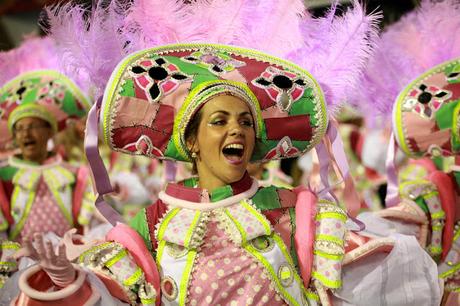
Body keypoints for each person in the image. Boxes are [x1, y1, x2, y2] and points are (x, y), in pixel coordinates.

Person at [6, 42, 442, 306]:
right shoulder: (153, 222)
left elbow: (371, 280)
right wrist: (68, 282)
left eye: (247, 122)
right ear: (191, 142)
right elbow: (125, 296)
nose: (237, 129)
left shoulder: (294, 209)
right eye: (219, 121)